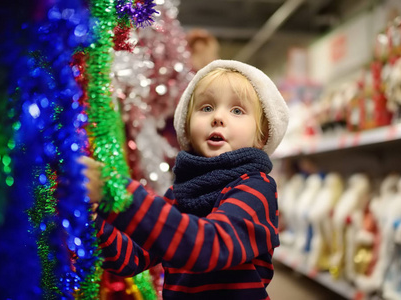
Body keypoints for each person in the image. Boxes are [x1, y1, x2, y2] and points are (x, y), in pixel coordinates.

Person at [83, 59, 289, 299]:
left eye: (237, 110)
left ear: (261, 137)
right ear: (187, 126)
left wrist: (115, 192)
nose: (218, 117)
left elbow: (209, 247)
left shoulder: (256, 188)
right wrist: (91, 213)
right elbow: (129, 259)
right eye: (206, 108)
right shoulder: (183, 193)